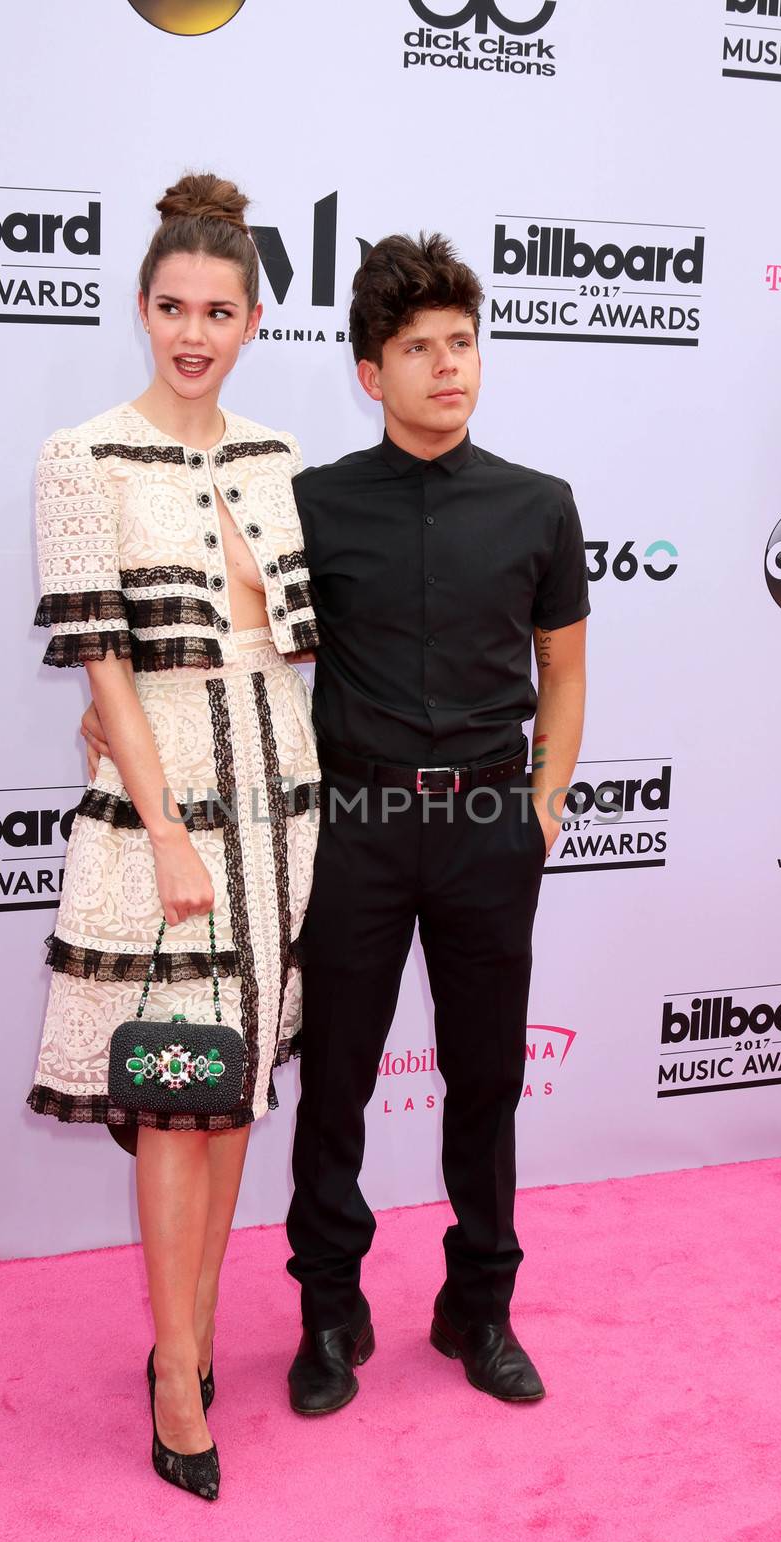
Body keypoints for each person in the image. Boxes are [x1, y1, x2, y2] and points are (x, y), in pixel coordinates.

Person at [28, 173, 320, 1500]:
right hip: (168, 797)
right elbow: (101, 668)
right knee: (173, 1090)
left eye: (219, 310)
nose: (193, 332)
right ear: (140, 309)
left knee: (237, 1079)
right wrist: (165, 830)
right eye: (171, 308)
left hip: (283, 797)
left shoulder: (276, 460)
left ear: (254, 318)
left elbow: (303, 646)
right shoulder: (79, 455)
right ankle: (168, 1370)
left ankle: (195, 1336)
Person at [282, 234, 589, 1414]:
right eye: (418, 349)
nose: (446, 367)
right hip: (353, 824)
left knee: (486, 1082)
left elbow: (560, 669)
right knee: (338, 1083)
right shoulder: (314, 505)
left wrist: (540, 809)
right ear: (370, 372)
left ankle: (480, 1307)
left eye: (460, 343)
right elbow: (258, 658)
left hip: (485, 829)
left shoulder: (537, 505)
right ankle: (328, 1312)